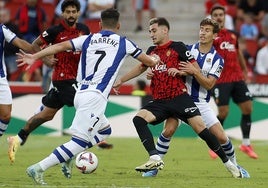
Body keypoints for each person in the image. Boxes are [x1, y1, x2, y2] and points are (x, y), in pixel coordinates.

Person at [17, 8, 159, 185]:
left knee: (105, 130)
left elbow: (60, 46)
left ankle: (70, 156)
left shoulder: (88, 39)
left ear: (99, 25)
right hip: (95, 98)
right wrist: (155, 60)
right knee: (79, 141)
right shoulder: (124, 42)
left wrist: (35, 56)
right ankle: (38, 168)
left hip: (81, 93)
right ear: (119, 25)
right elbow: (147, 62)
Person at [113, 17, 242, 178]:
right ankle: (154, 164)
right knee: (168, 131)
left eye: (207, 30)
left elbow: (208, 84)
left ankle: (234, 165)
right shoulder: (187, 49)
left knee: (220, 136)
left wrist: (190, 71)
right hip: (178, 96)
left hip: (198, 101)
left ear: (215, 35)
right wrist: (153, 72)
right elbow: (164, 64)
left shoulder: (217, 59)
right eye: (201, 29)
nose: (202, 32)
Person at [7, 0, 90, 170]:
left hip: (75, 79)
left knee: (46, 115)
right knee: (87, 106)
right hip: (63, 78)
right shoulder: (54, 31)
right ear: (62, 13)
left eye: (74, 11)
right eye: (68, 12)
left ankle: (18, 137)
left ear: (79, 13)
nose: (71, 15)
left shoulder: (84, 30)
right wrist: (45, 60)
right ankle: (77, 148)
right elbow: (35, 44)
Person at [210, 5, 258, 159]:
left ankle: (246, 143)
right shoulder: (211, 37)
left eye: (221, 15)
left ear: (225, 17)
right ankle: (215, 143)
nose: (219, 17)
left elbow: (238, 54)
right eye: (216, 15)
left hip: (237, 78)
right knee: (223, 112)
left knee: (248, 108)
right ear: (212, 18)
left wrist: (244, 71)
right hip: (221, 80)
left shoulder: (233, 35)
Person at [0, 22, 33, 138]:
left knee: (6, 116)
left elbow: (20, 43)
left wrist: (39, 49)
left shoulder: (2, 29)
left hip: (1, 78)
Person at [0, 8, 22, 81]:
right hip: (1, 56)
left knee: (13, 75)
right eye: (1, 16)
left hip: (12, 56)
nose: (2, 18)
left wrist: (19, 52)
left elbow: (20, 41)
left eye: (4, 16)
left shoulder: (14, 27)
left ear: (9, 16)